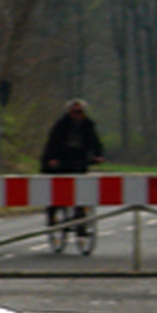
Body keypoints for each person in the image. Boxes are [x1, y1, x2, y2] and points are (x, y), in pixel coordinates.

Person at [42, 98, 106, 239]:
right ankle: (52, 215)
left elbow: (95, 141)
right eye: (76, 111)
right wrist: (52, 158)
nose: (79, 114)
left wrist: (98, 155)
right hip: (62, 160)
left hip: (80, 159)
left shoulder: (88, 125)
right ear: (70, 112)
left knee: (82, 192)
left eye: (81, 111)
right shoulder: (61, 124)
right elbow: (53, 142)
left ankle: (81, 222)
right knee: (58, 190)